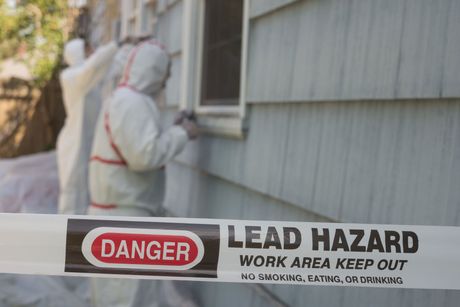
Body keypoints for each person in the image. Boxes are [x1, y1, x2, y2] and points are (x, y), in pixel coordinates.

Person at [88, 39, 198, 306]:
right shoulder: (132, 102)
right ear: (153, 70)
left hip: (120, 217)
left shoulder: (128, 100)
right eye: (165, 73)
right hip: (124, 223)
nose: (166, 80)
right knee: (127, 297)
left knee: (116, 296)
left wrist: (169, 131)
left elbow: (136, 145)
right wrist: (182, 133)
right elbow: (143, 155)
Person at [57, 38, 118, 215]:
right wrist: (114, 45)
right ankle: (65, 232)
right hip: (73, 142)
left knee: (86, 188)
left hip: (86, 140)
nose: (92, 51)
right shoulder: (70, 76)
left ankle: (81, 233)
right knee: (72, 188)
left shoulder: (89, 80)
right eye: (88, 48)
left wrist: (127, 47)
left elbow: (108, 69)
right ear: (78, 52)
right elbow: (92, 67)